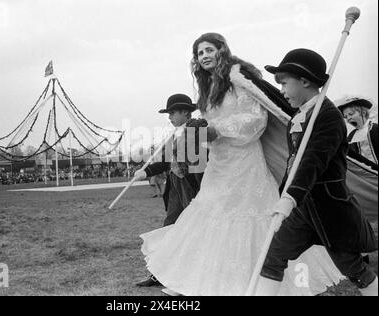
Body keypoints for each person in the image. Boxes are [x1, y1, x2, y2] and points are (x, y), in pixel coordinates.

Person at [140, 33, 344, 296]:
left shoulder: (237, 77)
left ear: (222, 50)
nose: (204, 56)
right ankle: (193, 280)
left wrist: (217, 130)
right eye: (199, 53)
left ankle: (260, 280)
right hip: (219, 163)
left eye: (209, 50)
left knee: (248, 217)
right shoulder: (207, 89)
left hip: (245, 162)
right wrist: (197, 140)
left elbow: (255, 121)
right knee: (207, 216)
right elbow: (207, 129)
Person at [255, 49, 378, 296]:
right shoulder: (298, 117)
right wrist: (287, 197)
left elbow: (311, 162)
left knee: (352, 267)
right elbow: (293, 162)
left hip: (330, 210)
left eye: (284, 83)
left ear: (305, 80)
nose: (281, 90)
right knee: (272, 257)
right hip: (303, 210)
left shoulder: (329, 116)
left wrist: (290, 198)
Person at [134, 93, 206, 287]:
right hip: (174, 185)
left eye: (173, 113)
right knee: (170, 227)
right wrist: (146, 171)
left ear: (185, 112)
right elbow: (166, 162)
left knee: (196, 231)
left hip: (193, 187)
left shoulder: (198, 131)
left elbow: (202, 163)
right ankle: (159, 273)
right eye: (169, 113)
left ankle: (194, 272)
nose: (170, 117)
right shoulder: (175, 134)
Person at [336, 96, 378, 170]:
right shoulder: (351, 136)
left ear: (363, 113)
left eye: (351, 114)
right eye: (346, 116)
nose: (348, 118)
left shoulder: (375, 129)